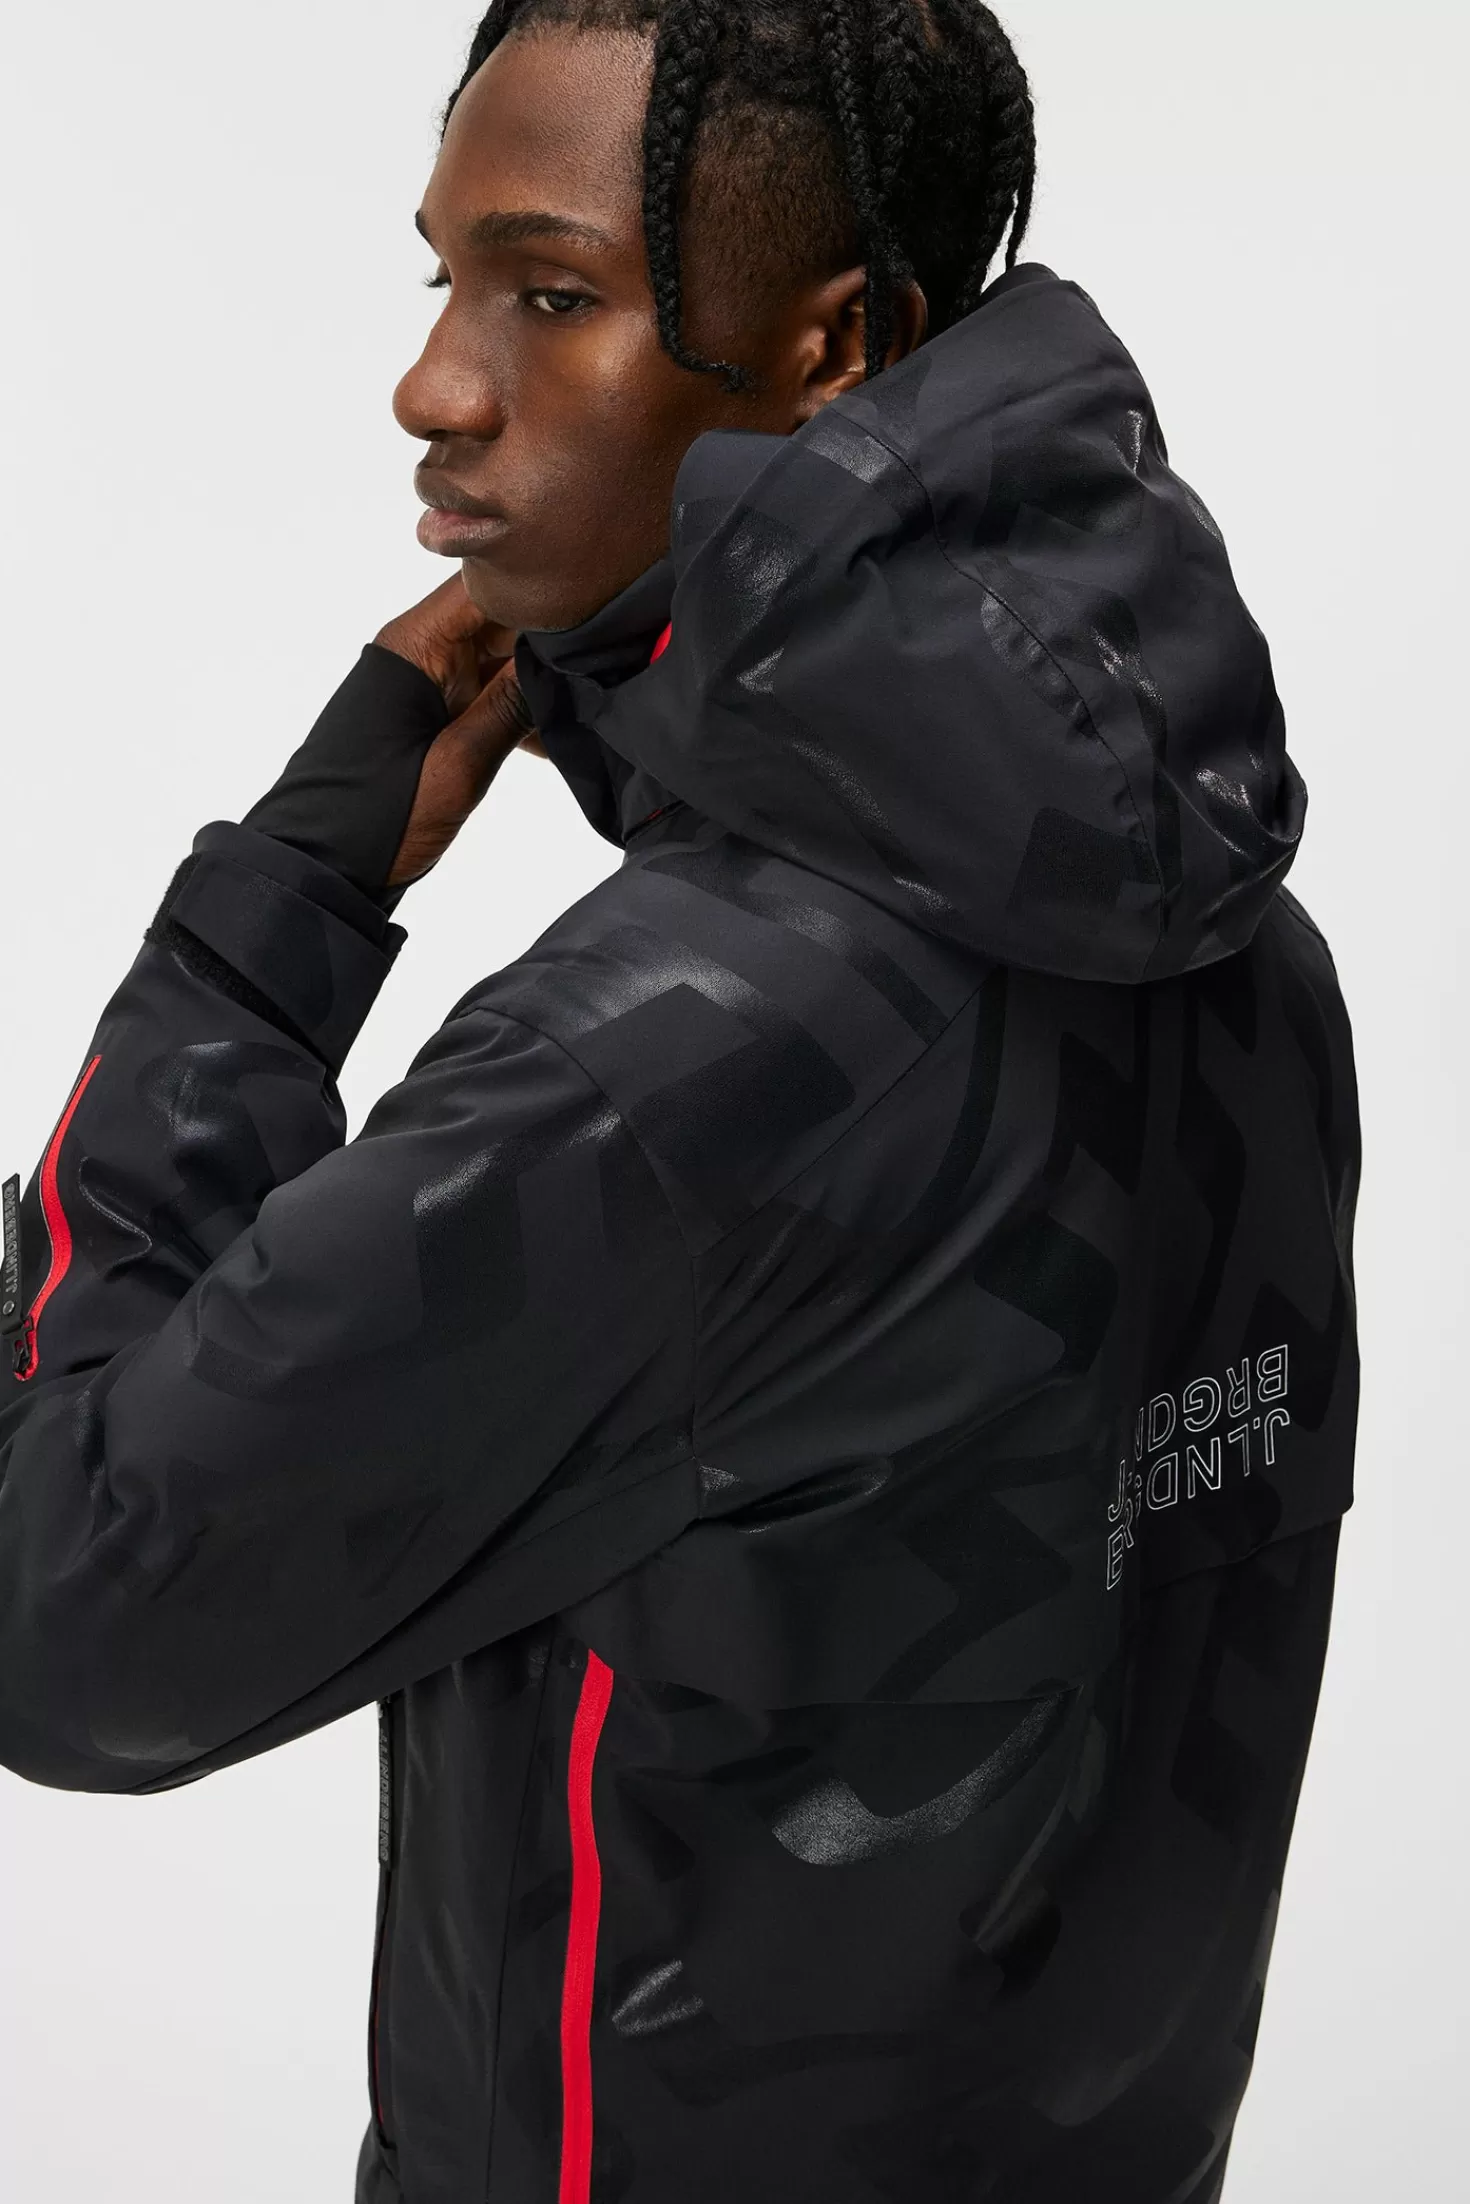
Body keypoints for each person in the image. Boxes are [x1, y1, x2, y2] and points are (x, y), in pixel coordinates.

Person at [0, 4, 1359, 2200]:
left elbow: (67, 1616)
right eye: (441, 279)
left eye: (547, 295)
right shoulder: (1247, 954)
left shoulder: (655, 1069)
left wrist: (264, 929)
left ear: (834, 346)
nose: (433, 384)